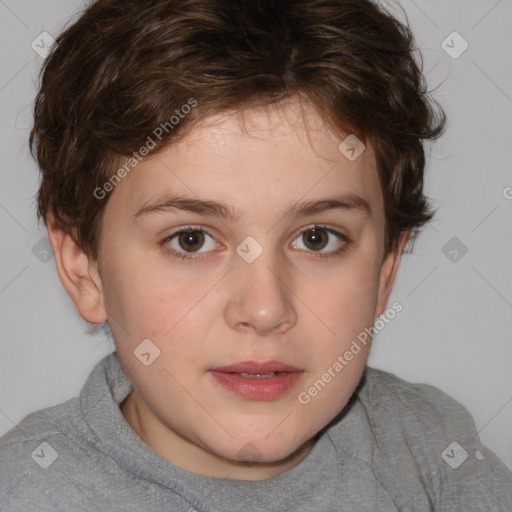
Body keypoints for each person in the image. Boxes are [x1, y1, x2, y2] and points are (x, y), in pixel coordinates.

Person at [1, 0, 511, 510]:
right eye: (191, 240)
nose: (265, 309)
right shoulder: (24, 490)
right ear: (82, 267)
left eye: (317, 238)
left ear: (385, 269)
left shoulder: (433, 453)